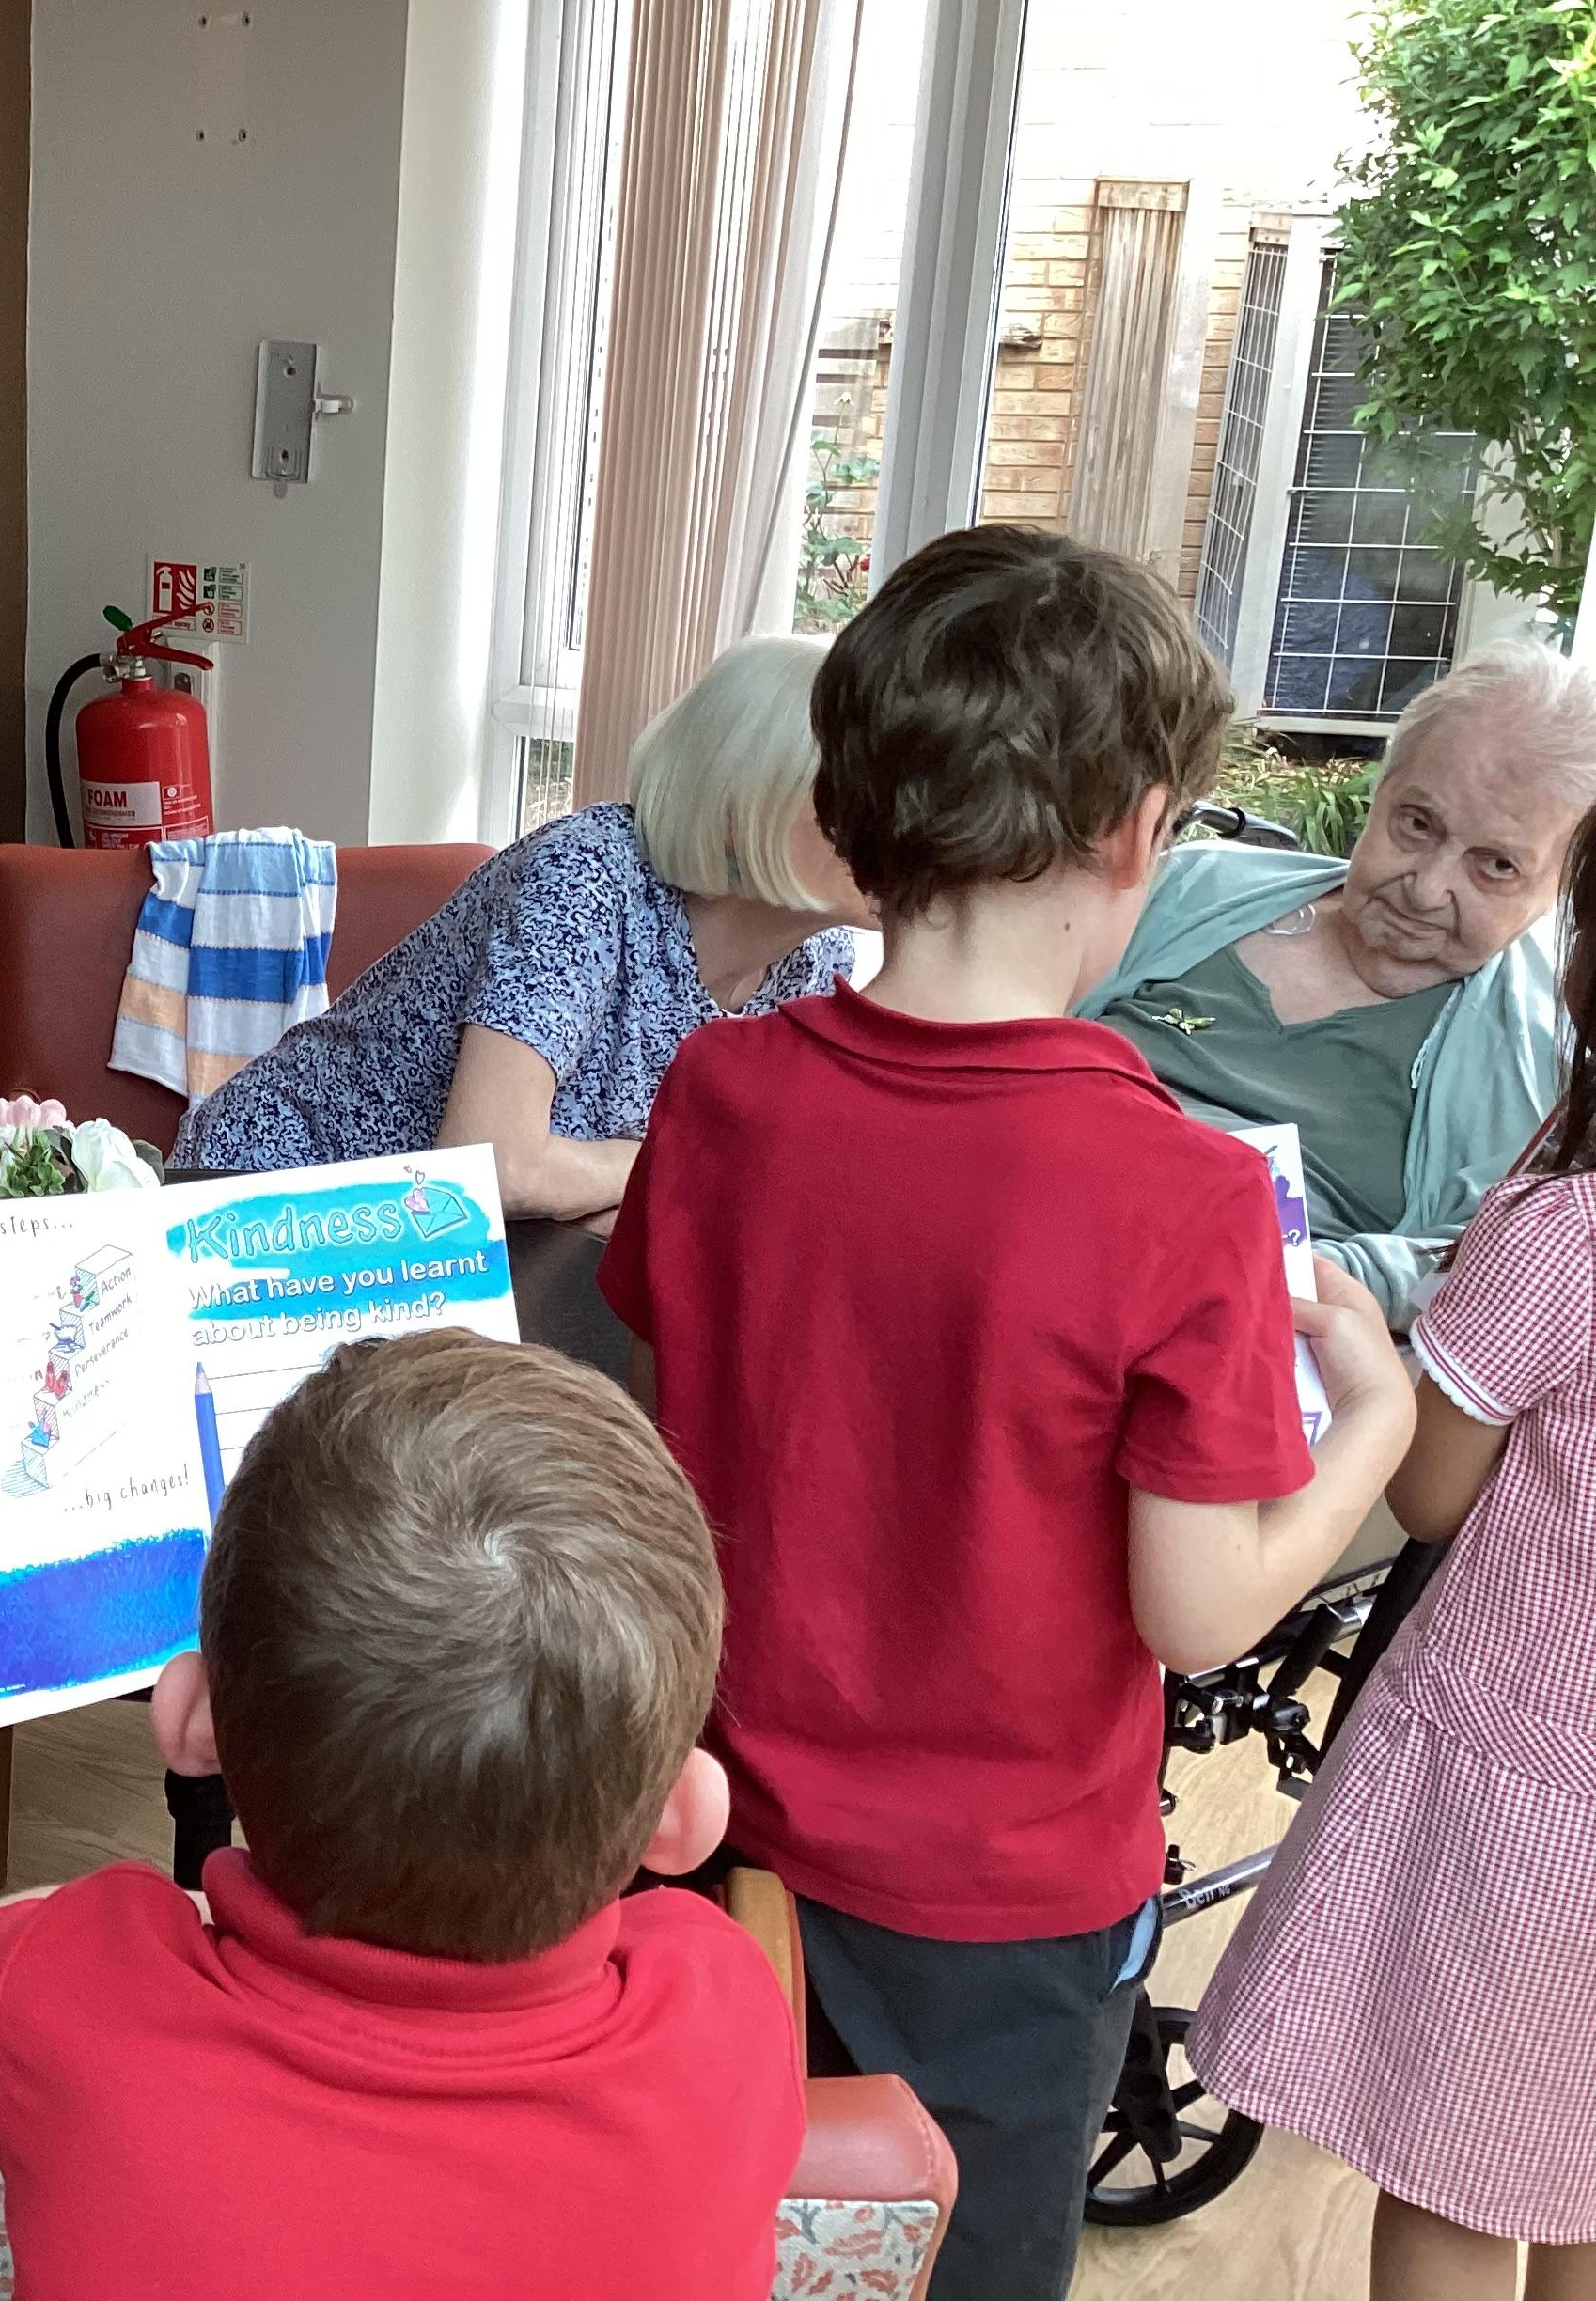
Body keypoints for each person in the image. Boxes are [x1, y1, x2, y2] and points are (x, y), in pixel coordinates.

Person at [598, 524, 1414, 2300]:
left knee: (716, 2241)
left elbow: (679, 1423)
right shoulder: (1182, 1195)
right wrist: (1373, 1417)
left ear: (846, 806)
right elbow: (1195, 1611)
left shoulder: (718, 1088)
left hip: (702, 1821)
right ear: (1136, 832)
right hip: (1002, 1913)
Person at [0, 1329, 806, 2300]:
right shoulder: (726, 2026)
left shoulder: (72, 1982)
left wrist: (153, 1917)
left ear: (191, 1719)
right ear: (684, 1817)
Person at [1189, 812, 1596, 2301]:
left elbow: (1429, 1491)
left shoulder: (1564, 1238)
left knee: (1450, 2179)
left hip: (1525, 1799)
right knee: (1577, 2171)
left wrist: (1374, 1352)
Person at [171, 636, 871, 1221]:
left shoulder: (815, 959)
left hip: (463, 1257)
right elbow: (493, 1170)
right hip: (276, 1207)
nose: (908, 829)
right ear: (744, 804)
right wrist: (688, 1162)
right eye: (867, 793)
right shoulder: (588, 877)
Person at [1079, 639, 1594, 1328]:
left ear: (1559, 893)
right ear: (1380, 790)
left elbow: (1475, 1266)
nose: (1426, 888)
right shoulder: (1195, 885)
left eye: (1496, 865)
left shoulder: (1537, 1057)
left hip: (1229, 1317)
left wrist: (1283, 1272)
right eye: (1417, 824)